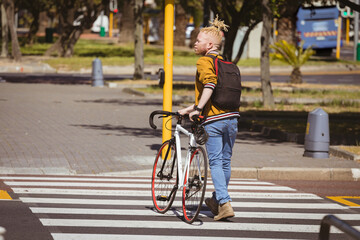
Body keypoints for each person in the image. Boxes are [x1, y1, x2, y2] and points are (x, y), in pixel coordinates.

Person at [178, 16, 240, 221]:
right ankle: (216, 200)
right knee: (225, 162)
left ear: (210, 45)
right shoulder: (225, 63)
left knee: (214, 162)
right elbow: (213, 91)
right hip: (232, 118)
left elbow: (210, 85)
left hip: (214, 120)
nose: (195, 43)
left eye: (198, 40)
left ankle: (224, 203)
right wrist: (189, 108)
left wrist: (198, 109)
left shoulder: (204, 61)